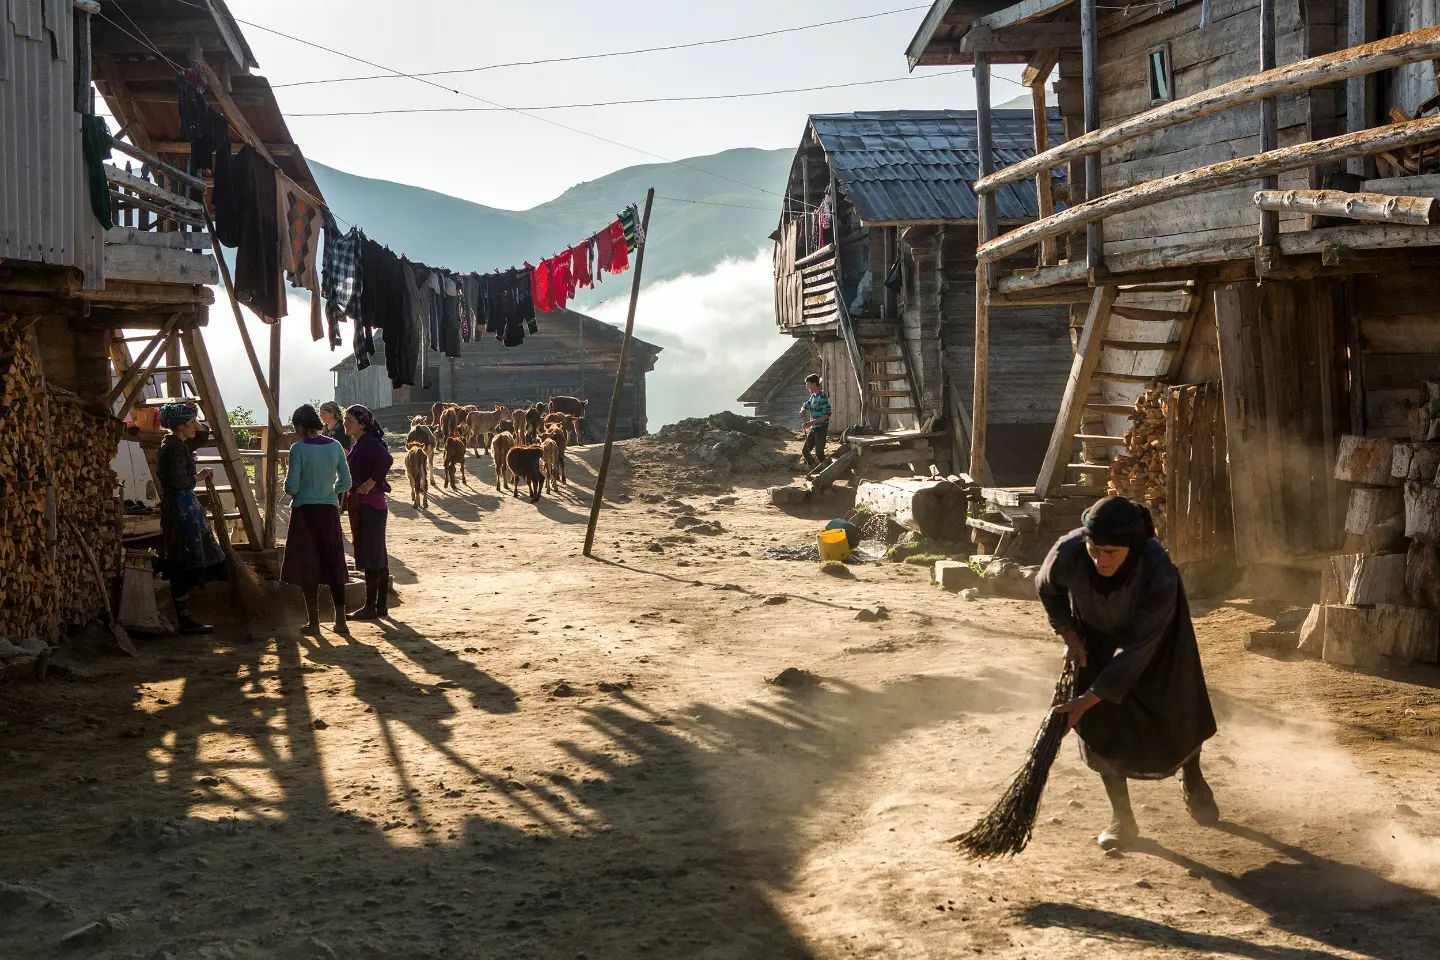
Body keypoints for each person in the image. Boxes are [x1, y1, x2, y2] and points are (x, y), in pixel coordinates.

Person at [1038, 495, 1220, 851]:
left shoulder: (1158, 572)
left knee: (1175, 713)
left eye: (1111, 553)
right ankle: (1122, 818)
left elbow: (1138, 648)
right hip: (1096, 640)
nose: (1099, 560)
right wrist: (1069, 634)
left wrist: (1087, 699)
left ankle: (1192, 773)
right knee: (1101, 726)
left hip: (1159, 644)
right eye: (1094, 549)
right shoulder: (1069, 552)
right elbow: (1048, 588)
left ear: (1132, 548)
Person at [280, 404, 353, 636]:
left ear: (300, 426)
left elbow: (291, 486)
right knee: (333, 562)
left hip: (305, 513)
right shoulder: (335, 446)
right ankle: (340, 621)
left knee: (307, 565)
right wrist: (331, 491)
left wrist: (292, 490)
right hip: (329, 510)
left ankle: (313, 622)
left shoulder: (298, 449)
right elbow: (346, 482)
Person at [156, 400, 227, 635]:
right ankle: (184, 620)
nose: (195, 427)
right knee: (181, 560)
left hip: (181, 508)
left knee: (183, 559)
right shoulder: (174, 448)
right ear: (182, 425)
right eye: (191, 422)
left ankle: (186, 617)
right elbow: (178, 482)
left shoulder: (176, 444)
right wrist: (197, 477)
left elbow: (201, 436)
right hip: (179, 510)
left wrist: (194, 412)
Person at [344, 404, 393, 619]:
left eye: (349, 421)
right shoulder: (362, 443)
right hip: (370, 505)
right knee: (378, 554)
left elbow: (386, 460)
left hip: (370, 505)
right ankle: (380, 606)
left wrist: (371, 482)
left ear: (361, 424)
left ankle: (371, 607)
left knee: (373, 556)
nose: (345, 424)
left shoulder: (369, 443)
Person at [798, 373, 831, 469]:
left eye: (808, 384)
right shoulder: (813, 396)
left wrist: (810, 423)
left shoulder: (823, 397)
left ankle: (829, 470)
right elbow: (806, 405)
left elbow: (826, 415)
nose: (807, 387)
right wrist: (802, 410)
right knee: (805, 451)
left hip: (821, 428)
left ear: (814, 383)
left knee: (819, 453)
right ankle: (814, 468)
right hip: (814, 428)